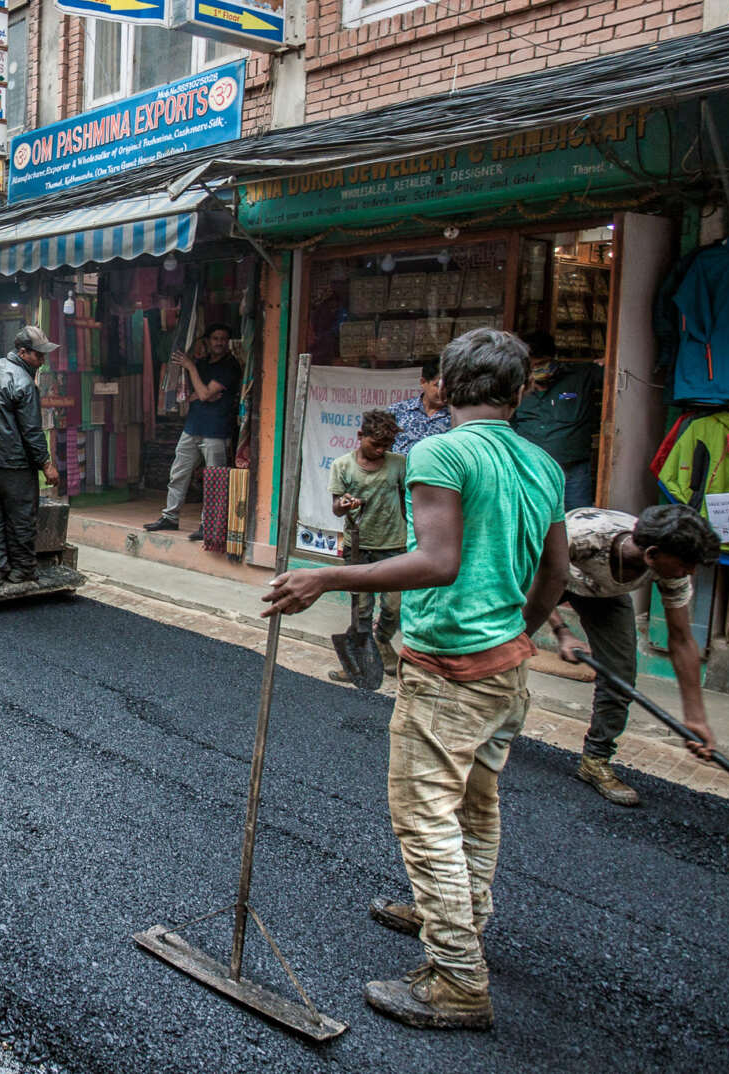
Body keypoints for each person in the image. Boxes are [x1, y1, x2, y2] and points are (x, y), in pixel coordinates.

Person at [264, 328, 570, 1031]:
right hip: (505, 668)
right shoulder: (543, 465)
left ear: (445, 389)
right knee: (477, 804)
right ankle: (460, 911)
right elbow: (555, 571)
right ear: (520, 393)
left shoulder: (441, 450)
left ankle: (458, 978)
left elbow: (436, 561)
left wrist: (328, 575)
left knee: (425, 816)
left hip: (448, 666)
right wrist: (520, 627)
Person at [550, 505, 720, 805]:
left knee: (620, 676)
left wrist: (695, 718)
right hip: (547, 576)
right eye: (686, 565)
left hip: (603, 593)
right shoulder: (580, 536)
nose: (690, 572)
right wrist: (562, 631)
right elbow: (525, 578)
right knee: (505, 649)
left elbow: (681, 640)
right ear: (652, 554)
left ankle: (595, 761)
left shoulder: (671, 569)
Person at [0, 326, 61, 587]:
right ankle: (22, 569)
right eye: (38, 355)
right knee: (21, 519)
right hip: (14, 463)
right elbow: (32, 431)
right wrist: (47, 465)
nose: (43, 361)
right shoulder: (24, 382)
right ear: (23, 352)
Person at [327, 409, 407, 681]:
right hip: (358, 547)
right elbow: (337, 508)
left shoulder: (398, 464)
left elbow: (407, 499)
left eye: (387, 446)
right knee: (361, 608)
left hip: (394, 544)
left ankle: (382, 641)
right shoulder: (343, 466)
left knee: (393, 607)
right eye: (376, 444)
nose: (381, 450)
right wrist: (346, 503)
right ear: (361, 436)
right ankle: (359, 661)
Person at [143, 323, 241, 539]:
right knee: (178, 473)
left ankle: (209, 525)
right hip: (193, 426)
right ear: (208, 341)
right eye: (215, 338)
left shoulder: (230, 366)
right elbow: (194, 394)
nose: (219, 343)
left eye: (223, 339)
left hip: (216, 430)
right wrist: (201, 390)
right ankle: (170, 517)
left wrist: (193, 371)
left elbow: (204, 394)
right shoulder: (204, 363)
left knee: (215, 479)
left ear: (228, 342)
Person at [512, 331, 603, 511]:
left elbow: (619, 371)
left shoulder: (581, 377)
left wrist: (611, 360)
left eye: (542, 363)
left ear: (554, 358)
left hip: (572, 470)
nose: (537, 369)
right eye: (532, 365)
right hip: (530, 470)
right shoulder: (515, 384)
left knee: (579, 519)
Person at [386, 358, 451, 456]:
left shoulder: (456, 417)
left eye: (448, 386)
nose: (443, 391)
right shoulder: (398, 410)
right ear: (423, 382)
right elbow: (382, 446)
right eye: (438, 385)